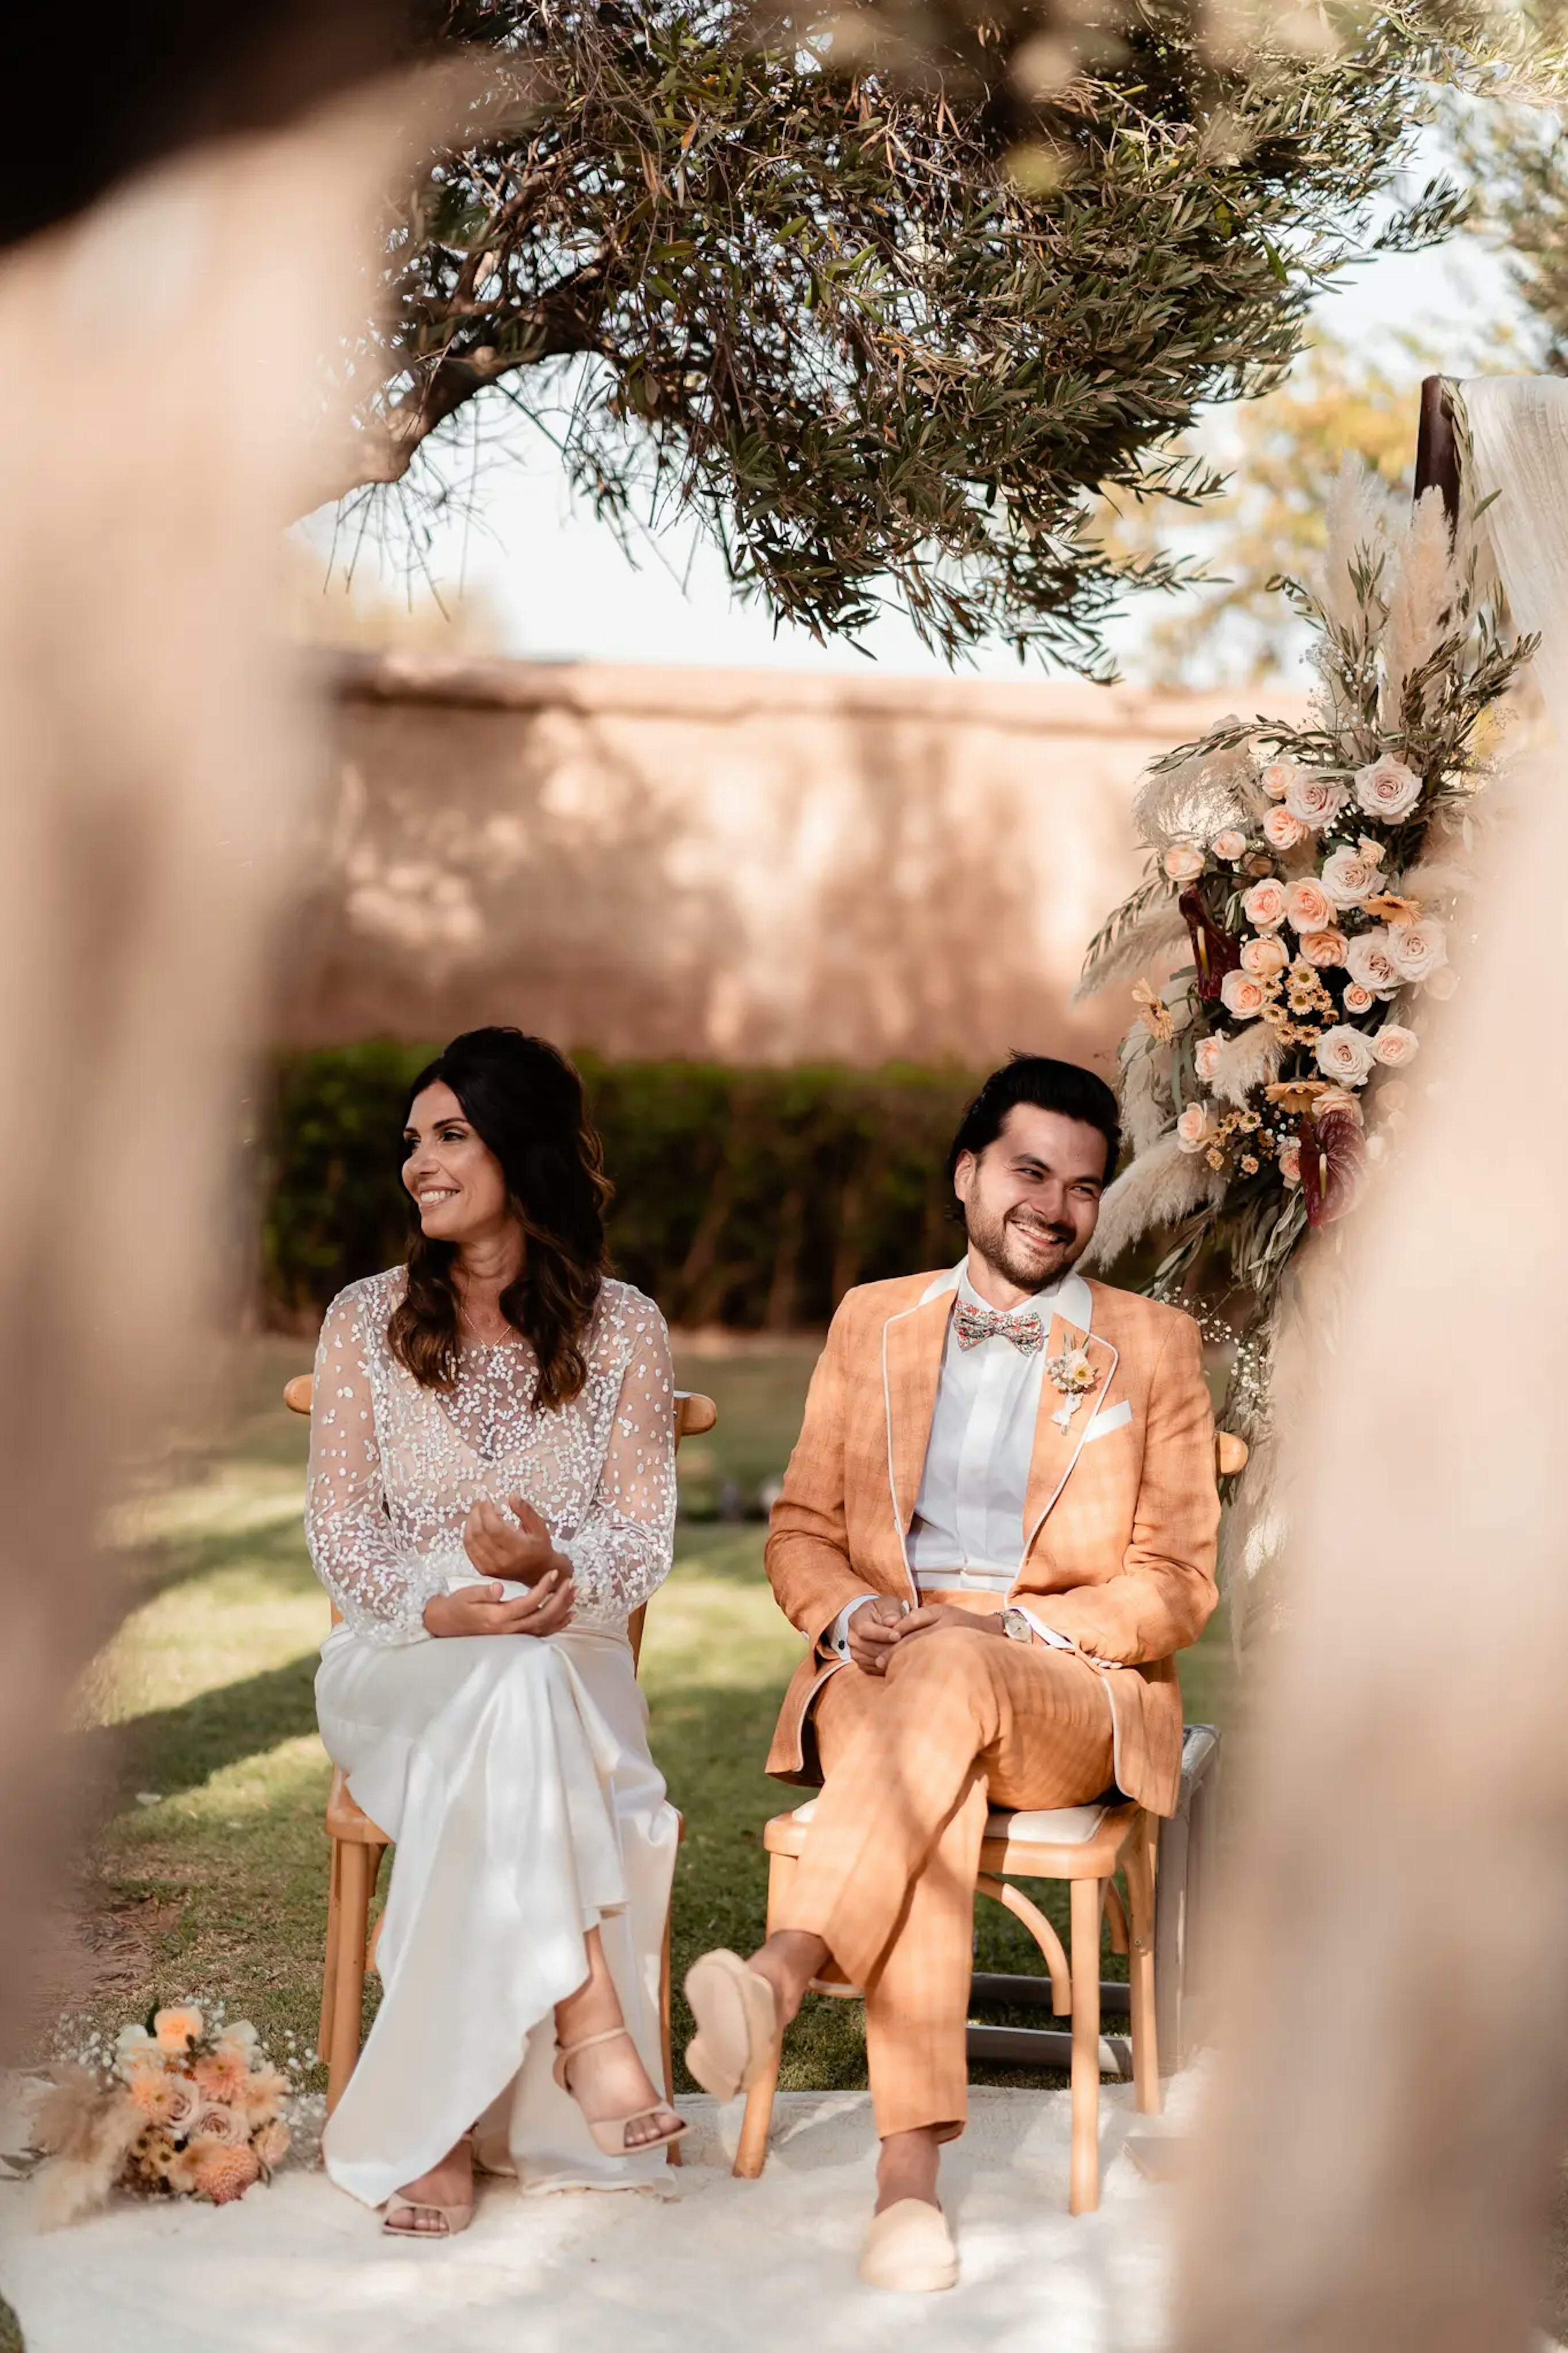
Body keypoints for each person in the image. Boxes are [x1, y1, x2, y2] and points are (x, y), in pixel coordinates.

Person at [683, 1053, 1219, 2291]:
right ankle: (904, 2191)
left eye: (1085, 1186)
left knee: (953, 1678)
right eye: (1031, 1171)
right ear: (968, 1174)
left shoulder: (1154, 1345)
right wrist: (863, 1610)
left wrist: (1002, 1627)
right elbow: (799, 1529)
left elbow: (1178, 1582)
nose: (1057, 1205)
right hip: (882, 1676)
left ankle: (790, 1967)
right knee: (928, 1729)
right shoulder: (874, 1319)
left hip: (1065, 1690)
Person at [307, 1026, 685, 2237]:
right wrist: (437, 1605)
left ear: (521, 1150)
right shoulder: (364, 1321)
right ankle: (593, 2029)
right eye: (412, 1140)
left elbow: (641, 1541)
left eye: (451, 1134)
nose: (417, 1161)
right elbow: (339, 1532)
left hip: (561, 1663)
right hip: (395, 1660)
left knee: (522, 1677)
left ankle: (442, 2128)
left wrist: (550, 1570)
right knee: (502, 1676)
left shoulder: (626, 1330)